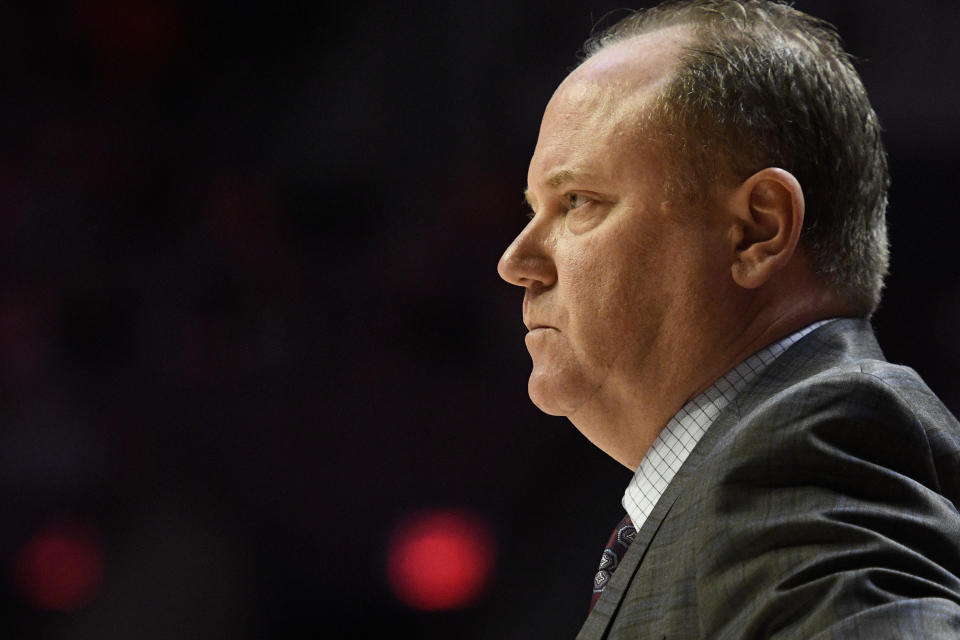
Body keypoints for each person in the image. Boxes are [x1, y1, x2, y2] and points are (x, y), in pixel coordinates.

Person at [496, 1, 960, 637]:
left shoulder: (805, 451)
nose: (516, 261)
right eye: (533, 209)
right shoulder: (737, 476)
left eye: (577, 201)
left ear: (756, 230)